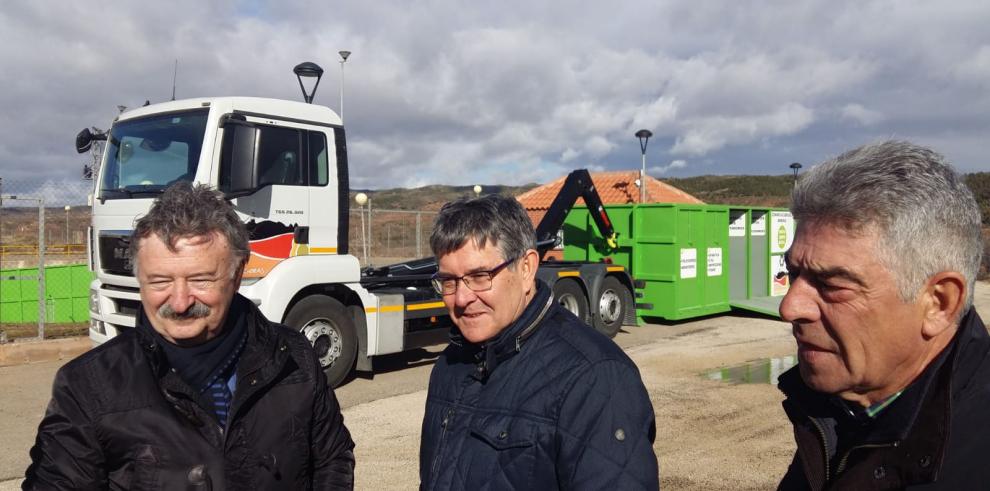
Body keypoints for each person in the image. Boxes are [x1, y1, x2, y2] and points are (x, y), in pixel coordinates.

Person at [24, 183, 355, 489]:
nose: (180, 302)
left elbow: (332, 459)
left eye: (200, 280)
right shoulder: (88, 386)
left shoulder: (294, 357)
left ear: (237, 274)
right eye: (159, 282)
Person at [777, 140, 987, 489]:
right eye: (795, 273)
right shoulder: (837, 411)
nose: (790, 307)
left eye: (832, 284)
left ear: (939, 303)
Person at [419, 194, 659, 490]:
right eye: (448, 281)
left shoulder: (595, 378)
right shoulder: (451, 363)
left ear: (526, 268)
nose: (461, 298)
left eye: (480, 276)